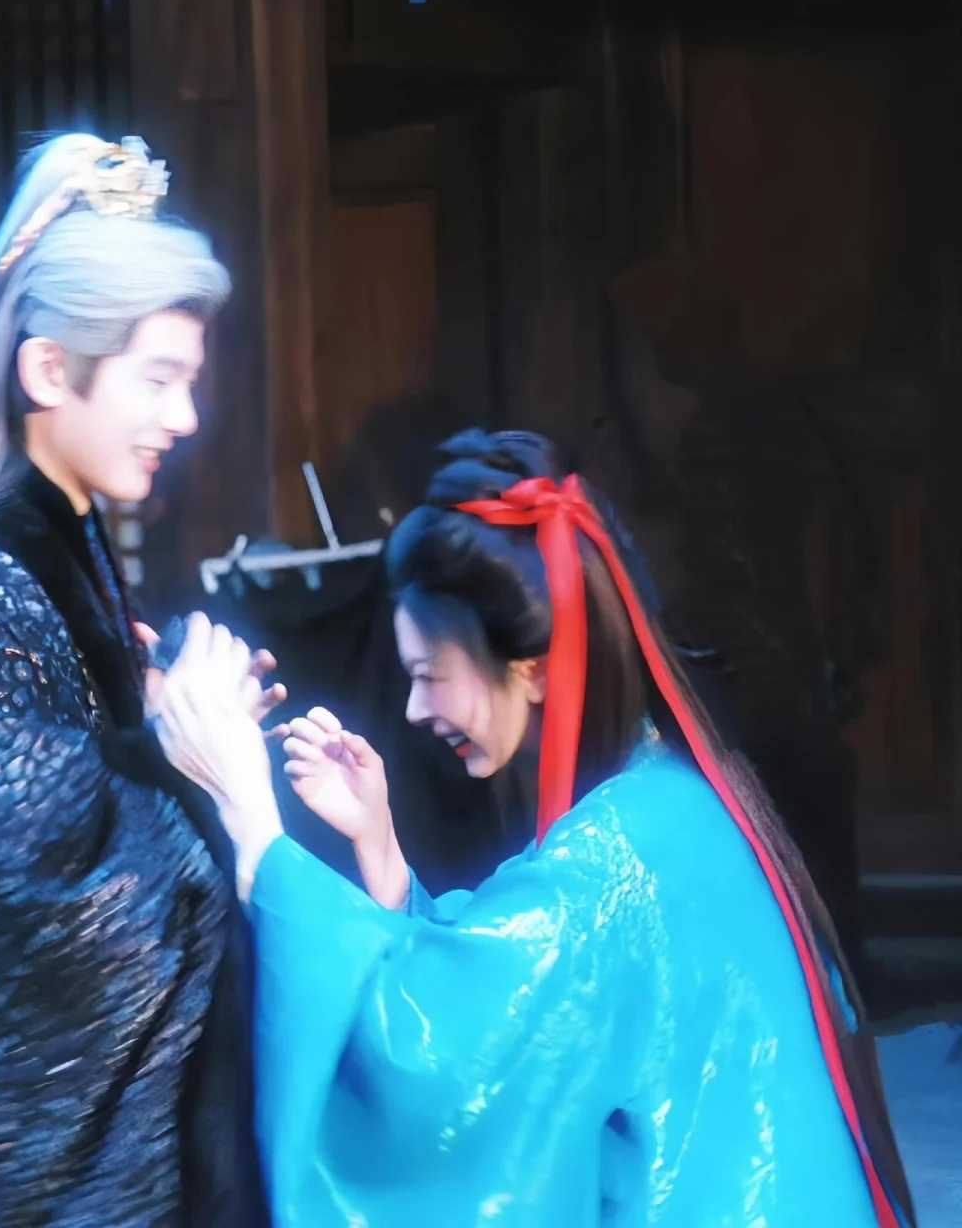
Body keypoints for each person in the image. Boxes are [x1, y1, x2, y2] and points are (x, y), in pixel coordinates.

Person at [156, 430, 915, 1227]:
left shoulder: (609, 869)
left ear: (535, 668)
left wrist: (251, 821)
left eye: (430, 676)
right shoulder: (663, 799)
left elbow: (440, 1080)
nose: (414, 709)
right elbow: (490, 985)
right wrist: (378, 845)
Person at [0, 134, 272, 1225]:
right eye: (159, 380)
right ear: (50, 371)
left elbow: (68, 785)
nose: (184, 417)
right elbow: (21, 922)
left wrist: (168, 719)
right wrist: (191, 758)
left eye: (189, 382)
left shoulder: (62, 534)